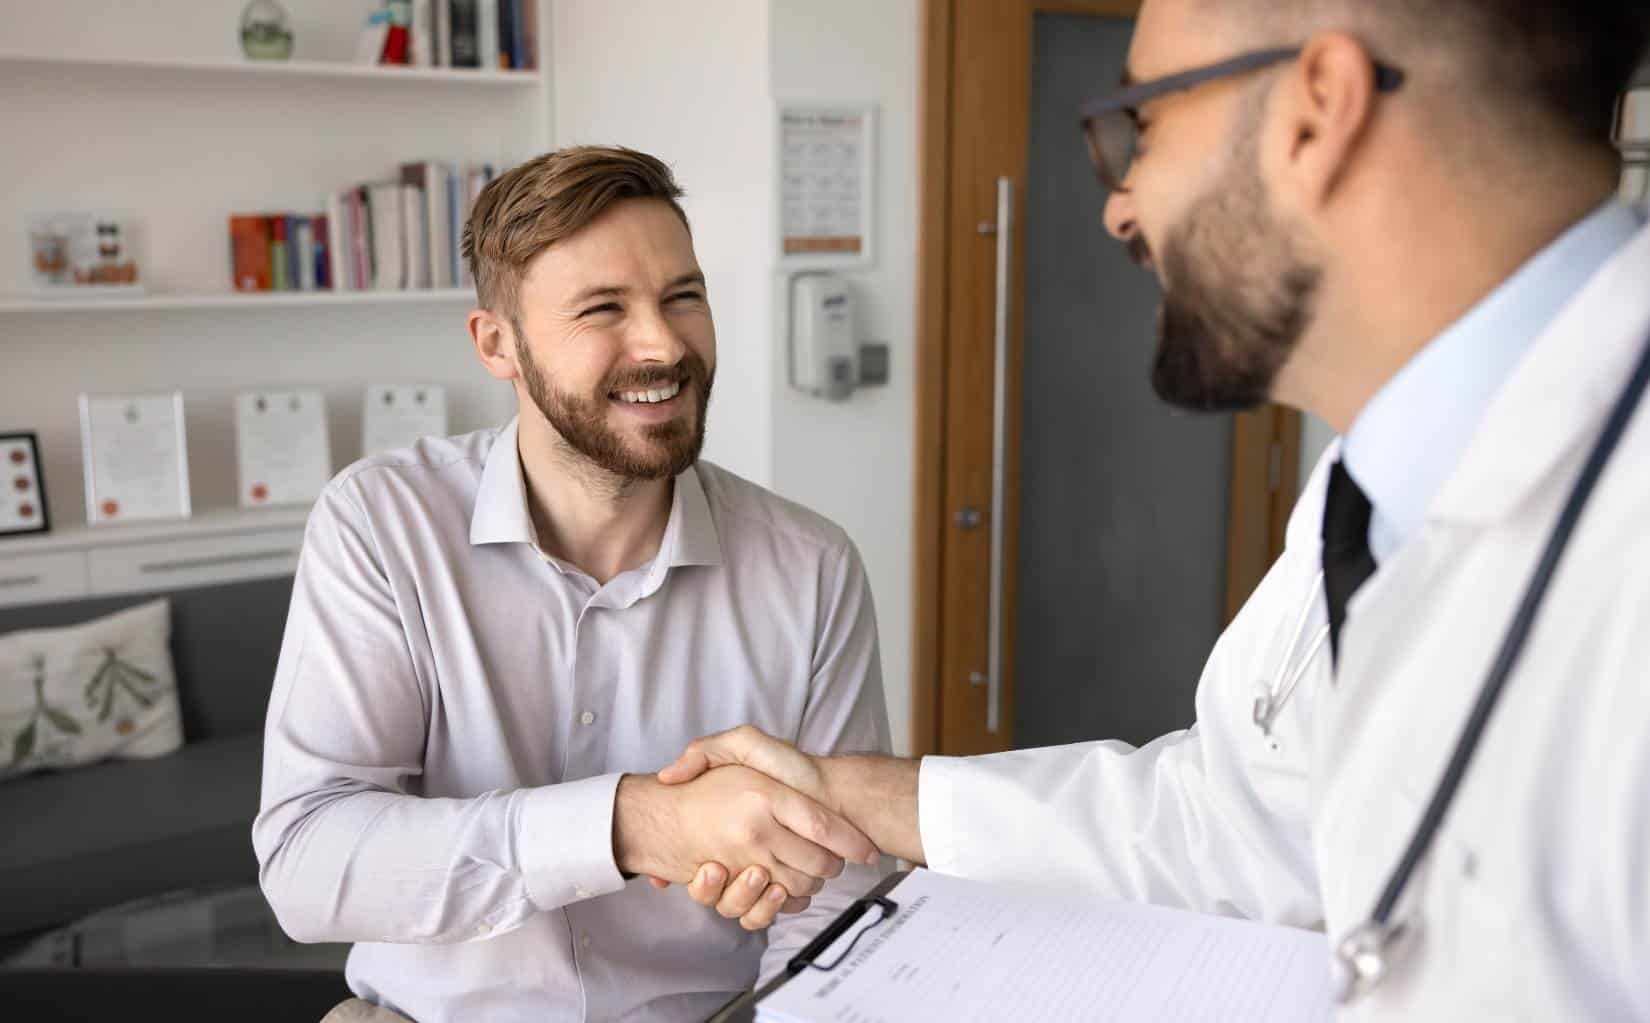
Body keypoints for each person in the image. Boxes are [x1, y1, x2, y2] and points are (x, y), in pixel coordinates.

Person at [656, 1, 1650, 1015]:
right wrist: (856, 795)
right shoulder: (1380, 478)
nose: (1120, 208)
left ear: (1317, 112)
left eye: (1148, 123)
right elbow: (1231, 825)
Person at [253, 145, 890, 1023]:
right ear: (497, 344)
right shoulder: (380, 524)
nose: (663, 344)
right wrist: (633, 823)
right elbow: (308, 863)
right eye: (604, 309)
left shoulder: (812, 568)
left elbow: (837, 904)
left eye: (683, 297)